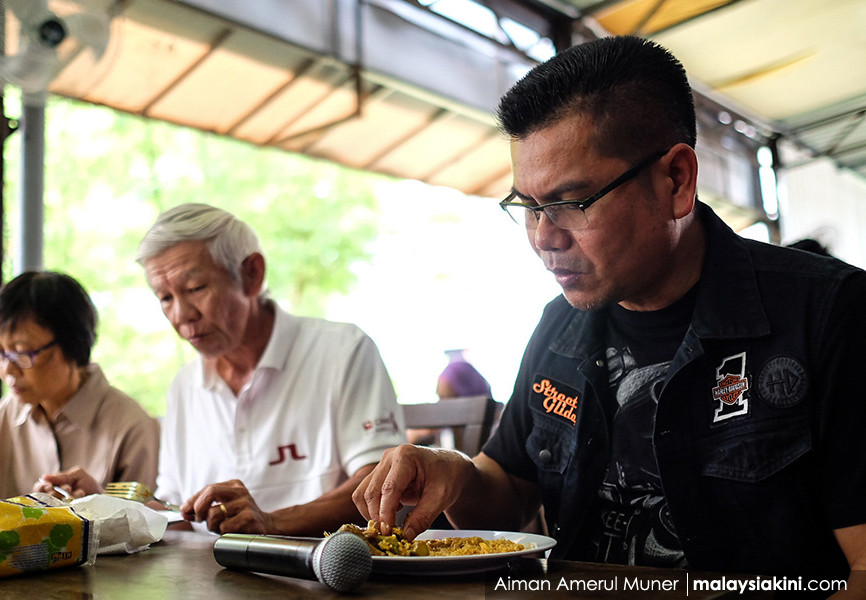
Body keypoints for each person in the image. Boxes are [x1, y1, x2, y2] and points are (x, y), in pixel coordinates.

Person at [353, 35, 866, 588]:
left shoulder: (829, 315)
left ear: (676, 180)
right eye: (527, 207)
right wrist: (453, 474)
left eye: (571, 203)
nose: (544, 239)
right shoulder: (559, 326)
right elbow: (508, 501)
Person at [42, 203, 406, 536]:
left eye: (196, 288)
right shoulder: (185, 386)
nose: (181, 315)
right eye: (165, 298)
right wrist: (99, 502)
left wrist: (272, 522)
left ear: (252, 274)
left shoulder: (342, 351)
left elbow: (381, 482)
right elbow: (177, 514)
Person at [0, 271, 160, 499]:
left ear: (72, 346)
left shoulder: (131, 426)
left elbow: (145, 527)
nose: (8, 369)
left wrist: (95, 509)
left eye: (23, 353)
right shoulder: (7, 413)